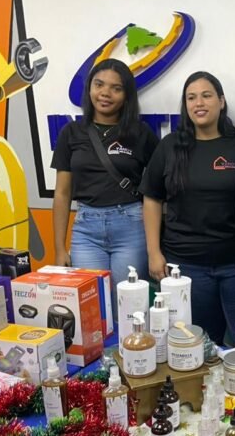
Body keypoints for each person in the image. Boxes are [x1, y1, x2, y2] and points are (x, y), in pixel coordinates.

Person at [140, 71, 235, 345]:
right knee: (195, 347)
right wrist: (153, 253)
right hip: (185, 267)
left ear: (221, 101)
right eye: (191, 97)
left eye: (206, 96)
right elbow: (152, 199)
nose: (199, 103)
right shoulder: (170, 146)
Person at [51, 59, 159, 301]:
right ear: (89, 88)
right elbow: (62, 193)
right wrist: (59, 248)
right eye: (99, 84)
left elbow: (157, 190)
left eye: (116, 88)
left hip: (130, 227)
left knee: (129, 305)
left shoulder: (140, 133)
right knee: (92, 304)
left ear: (126, 95)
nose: (105, 93)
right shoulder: (71, 132)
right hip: (86, 231)